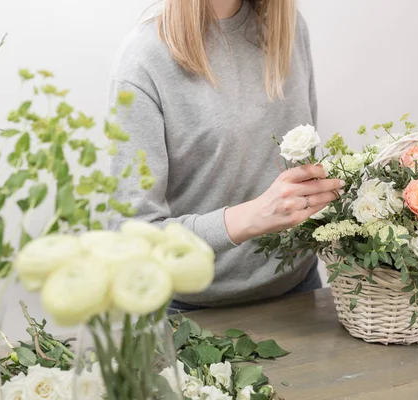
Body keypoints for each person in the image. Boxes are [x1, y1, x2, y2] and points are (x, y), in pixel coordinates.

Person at [108, 0, 344, 312]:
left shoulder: (288, 28)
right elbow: (132, 238)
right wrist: (250, 218)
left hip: (301, 293)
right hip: (192, 313)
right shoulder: (144, 60)